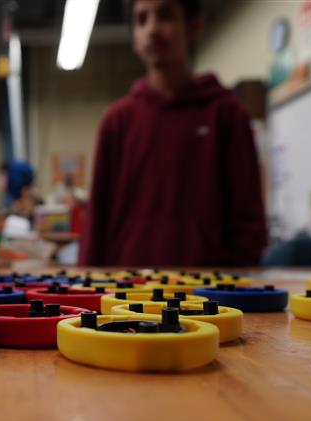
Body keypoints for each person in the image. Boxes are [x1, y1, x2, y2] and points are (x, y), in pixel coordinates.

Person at [79, 0, 267, 267]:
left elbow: (249, 219)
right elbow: (96, 219)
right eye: (142, 19)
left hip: (208, 298)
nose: (152, 29)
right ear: (133, 38)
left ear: (193, 26)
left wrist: (238, 288)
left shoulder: (228, 114)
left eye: (165, 15)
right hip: (125, 295)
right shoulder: (116, 121)